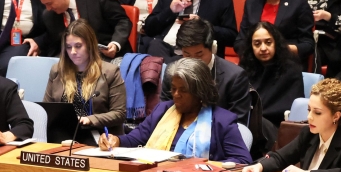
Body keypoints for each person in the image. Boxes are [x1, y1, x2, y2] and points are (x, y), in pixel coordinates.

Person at [99, 57, 251, 163]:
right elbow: (135, 138)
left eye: (183, 90)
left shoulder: (222, 121)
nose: (176, 95)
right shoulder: (163, 110)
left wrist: (207, 167)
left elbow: (242, 160)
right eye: (173, 89)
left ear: (200, 91)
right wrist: (116, 140)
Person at [243, 78, 341, 172]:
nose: (309, 117)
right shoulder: (309, 133)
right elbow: (281, 158)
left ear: (336, 116)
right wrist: (258, 167)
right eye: (309, 110)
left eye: (317, 112)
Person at [43, 19, 126, 143]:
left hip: (98, 135)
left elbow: (119, 113)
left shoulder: (111, 72)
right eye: (68, 47)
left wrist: (90, 119)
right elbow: (47, 108)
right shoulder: (57, 71)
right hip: (63, 134)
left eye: (78, 46)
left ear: (90, 45)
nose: (73, 52)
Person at [161, 19, 251, 124]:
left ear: (213, 48)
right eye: (187, 55)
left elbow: (238, 124)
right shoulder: (172, 71)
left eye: (199, 55)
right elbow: (164, 112)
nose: (193, 61)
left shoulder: (235, 77)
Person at [239, 22, 304, 145]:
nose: (263, 48)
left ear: (276, 43)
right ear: (251, 46)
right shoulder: (245, 68)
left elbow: (289, 107)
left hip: (276, 127)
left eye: (268, 42)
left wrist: (255, 114)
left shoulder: (291, 69)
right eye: (257, 44)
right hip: (248, 122)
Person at [37, 0, 131, 59]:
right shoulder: (49, 15)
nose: (48, 8)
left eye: (49, 3)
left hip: (105, 56)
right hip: (74, 61)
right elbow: (53, 45)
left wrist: (115, 44)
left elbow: (122, 21)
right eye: (45, 5)